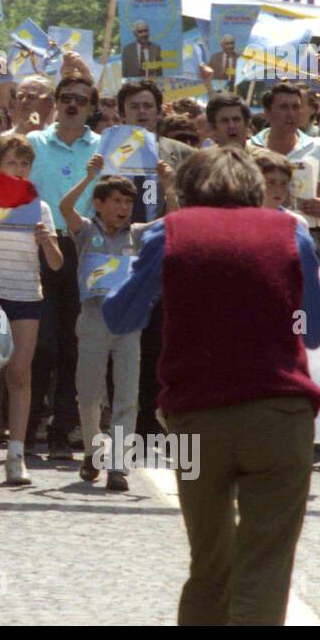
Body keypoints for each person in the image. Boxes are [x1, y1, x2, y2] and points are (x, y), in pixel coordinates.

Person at [102, 146, 320, 625]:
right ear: (254, 189)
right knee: (264, 568)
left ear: (185, 193)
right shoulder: (293, 235)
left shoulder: (169, 233)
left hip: (194, 419)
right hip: (280, 414)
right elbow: (314, 329)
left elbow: (120, 316)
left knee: (208, 565)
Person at [60, 158, 172, 491]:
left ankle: (118, 466)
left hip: (128, 324)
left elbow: (175, 221)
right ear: (99, 204)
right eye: (116, 201)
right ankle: (94, 453)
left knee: (127, 396)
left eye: (128, 201)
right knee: (90, 395)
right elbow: (65, 207)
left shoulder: (137, 234)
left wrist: (168, 184)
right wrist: (89, 175)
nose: (124, 207)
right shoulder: (86, 231)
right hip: (93, 320)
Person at [0, 134, 62, 485]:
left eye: (25, 163)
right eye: (12, 162)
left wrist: (48, 242)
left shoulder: (40, 207)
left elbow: (55, 264)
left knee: (20, 374)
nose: (20, 169)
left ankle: (17, 454)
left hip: (27, 296)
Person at [27, 69, 101, 458]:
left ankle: (62, 429)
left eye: (82, 99)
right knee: (40, 346)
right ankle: (26, 428)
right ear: (56, 102)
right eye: (67, 97)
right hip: (38, 245)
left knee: (74, 345)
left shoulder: (103, 148)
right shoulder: (33, 142)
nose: (73, 104)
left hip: (84, 248)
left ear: (91, 107)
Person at [117, 79, 194, 438]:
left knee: (158, 344)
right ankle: (121, 419)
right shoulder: (108, 153)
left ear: (159, 111)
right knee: (121, 344)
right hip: (119, 260)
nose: (141, 112)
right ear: (122, 113)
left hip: (166, 261)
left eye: (148, 105)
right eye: (134, 106)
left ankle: (153, 419)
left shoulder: (182, 154)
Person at [249, 82, 320, 242]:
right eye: (284, 107)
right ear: (267, 113)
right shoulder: (250, 149)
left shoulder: (317, 148)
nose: (291, 113)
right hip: (260, 234)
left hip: (307, 235)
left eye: (296, 107)